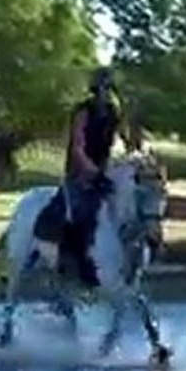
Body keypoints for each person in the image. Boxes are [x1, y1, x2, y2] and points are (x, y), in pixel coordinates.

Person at [59, 67, 133, 277]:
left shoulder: (114, 112)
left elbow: (126, 141)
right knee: (83, 212)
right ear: (95, 90)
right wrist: (93, 174)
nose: (107, 93)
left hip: (104, 170)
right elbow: (77, 149)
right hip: (80, 172)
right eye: (103, 88)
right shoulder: (83, 112)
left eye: (110, 89)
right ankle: (73, 263)